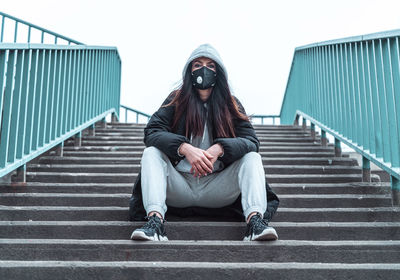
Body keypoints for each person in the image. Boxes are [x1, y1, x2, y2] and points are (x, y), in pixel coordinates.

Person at [129, 44, 279, 241]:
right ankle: (155, 223)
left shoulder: (230, 105)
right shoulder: (176, 100)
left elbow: (251, 141)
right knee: (151, 153)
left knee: (252, 157)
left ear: (219, 73)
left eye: (210, 65)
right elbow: (152, 132)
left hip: (217, 187)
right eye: (197, 65)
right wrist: (184, 148)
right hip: (179, 186)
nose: (204, 69)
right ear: (189, 71)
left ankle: (255, 223)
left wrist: (221, 148)